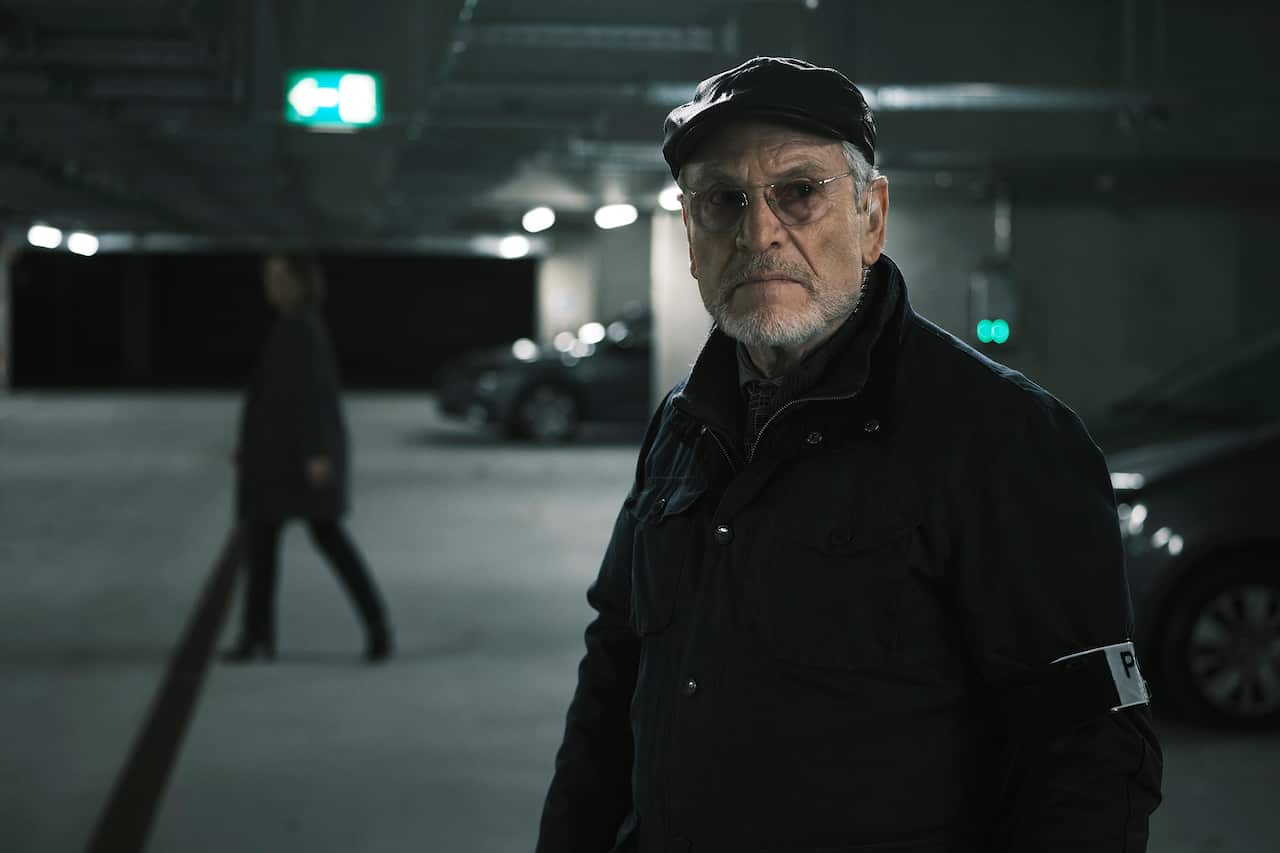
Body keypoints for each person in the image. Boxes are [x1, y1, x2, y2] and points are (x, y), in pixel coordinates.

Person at [536, 57, 1162, 852]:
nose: (759, 232)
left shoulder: (1004, 439)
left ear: (872, 217)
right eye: (722, 202)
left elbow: (1091, 758)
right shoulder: (681, 426)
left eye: (799, 192)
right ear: (692, 240)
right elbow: (614, 675)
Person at [226, 252, 392, 663]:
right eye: (269, 277)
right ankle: (257, 634)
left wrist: (317, 453)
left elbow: (314, 395)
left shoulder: (303, 329)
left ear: (301, 282)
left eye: (280, 277)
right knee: (263, 546)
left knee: (328, 539)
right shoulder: (289, 326)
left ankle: (377, 626)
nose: (273, 285)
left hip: (296, 464)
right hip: (276, 462)